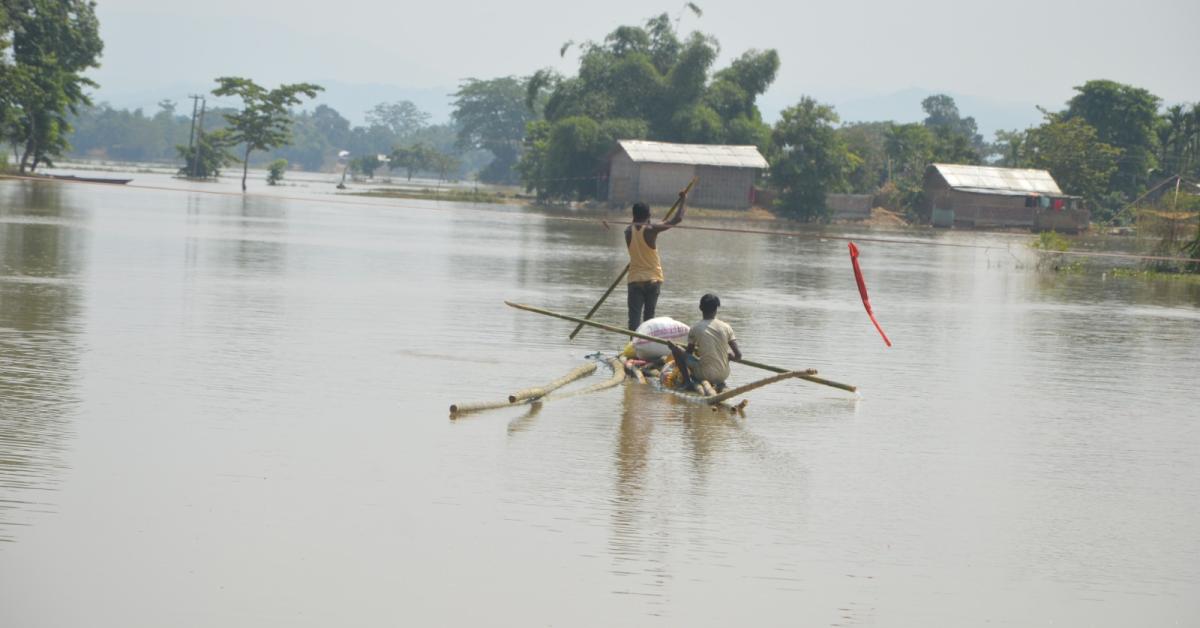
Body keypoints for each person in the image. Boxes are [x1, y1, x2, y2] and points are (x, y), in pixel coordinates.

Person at [625, 190, 687, 332]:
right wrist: (683, 199)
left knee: (633, 321)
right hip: (653, 279)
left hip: (635, 280)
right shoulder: (651, 229)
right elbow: (677, 219)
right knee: (649, 320)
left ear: (633, 215)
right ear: (649, 215)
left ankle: (632, 343)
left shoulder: (627, 231)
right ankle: (646, 343)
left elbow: (635, 233)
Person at [669, 293, 742, 391]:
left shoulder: (695, 328)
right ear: (716, 309)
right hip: (724, 375)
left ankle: (687, 382)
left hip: (704, 374)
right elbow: (738, 356)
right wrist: (730, 357)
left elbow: (688, 353)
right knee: (723, 355)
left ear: (700, 308)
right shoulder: (726, 327)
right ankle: (718, 382)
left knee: (676, 350)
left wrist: (677, 349)